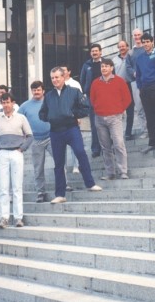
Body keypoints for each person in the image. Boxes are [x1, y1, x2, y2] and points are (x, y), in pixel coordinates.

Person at [39, 67, 102, 204]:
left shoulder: (74, 92)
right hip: (56, 132)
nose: (55, 80)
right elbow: (42, 113)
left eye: (57, 77)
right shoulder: (49, 96)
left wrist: (74, 114)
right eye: (52, 78)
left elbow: (85, 107)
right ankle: (60, 194)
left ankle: (90, 183)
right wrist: (51, 118)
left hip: (71, 128)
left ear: (63, 77)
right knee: (59, 163)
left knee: (80, 152)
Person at [0, 92, 33, 228]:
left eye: (8, 102)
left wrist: (22, 148)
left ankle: (18, 218)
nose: (6, 105)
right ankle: (4, 218)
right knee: (3, 188)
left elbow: (30, 135)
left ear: (13, 103)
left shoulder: (21, 118)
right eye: (3, 102)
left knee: (17, 187)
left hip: (16, 153)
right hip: (2, 153)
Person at [90, 58, 131, 180]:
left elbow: (127, 98)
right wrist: (98, 109)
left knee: (118, 143)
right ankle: (110, 173)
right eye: (102, 66)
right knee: (105, 147)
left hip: (115, 117)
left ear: (112, 68)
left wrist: (119, 109)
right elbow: (92, 99)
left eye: (106, 66)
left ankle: (123, 171)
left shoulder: (120, 81)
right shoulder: (95, 83)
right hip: (100, 118)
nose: (104, 68)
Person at [18, 81, 53, 203]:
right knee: (38, 168)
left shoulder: (50, 101)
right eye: (34, 90)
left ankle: (63, 185)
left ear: (43, 91)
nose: (36, 92)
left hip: (51, 137)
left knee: (59, 163)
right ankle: (40, 192)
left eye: (38, 90)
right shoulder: (24, 106)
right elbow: (18, 121)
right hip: (35, 140)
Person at [80, 43, 103, 158]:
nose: (94, 53)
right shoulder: (87, 65)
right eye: (92, 51)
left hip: (105, 97)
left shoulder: (105, 63)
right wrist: (86, 91)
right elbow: (82, 80)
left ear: (100, 52)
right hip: (92, 98)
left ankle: (107, 147)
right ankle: (95, 149)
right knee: (94, 124)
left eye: (96, 51)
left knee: (106, 123)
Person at [126, 28, 147, 138]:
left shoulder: (147, 48)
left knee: (150, 106)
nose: (137, 37)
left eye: (139, 34)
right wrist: (134, 73)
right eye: (135, 35)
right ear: (133, 36)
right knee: (139, 107)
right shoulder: (130, 52)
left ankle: (153, 128)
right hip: (135, 82)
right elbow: (128, 67)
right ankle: (145, 130)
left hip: (148, 81)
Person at [112, 40, 135, 141]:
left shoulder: (131, 57)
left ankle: (128, 133)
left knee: (130, 110)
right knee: (118, 112)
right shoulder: (114, 60)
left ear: (127, 47)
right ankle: (117, 134)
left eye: (123, 46)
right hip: (118, 87)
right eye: (120, 47)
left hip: (130, 85)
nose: (122, 48)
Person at [60, 63, 80, 173]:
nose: (62, 72)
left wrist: (77, 116)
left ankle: (76, 166)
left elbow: (79, 101)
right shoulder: (58, 83)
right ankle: (63, 168)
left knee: (74, 143)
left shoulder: (75, 84)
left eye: (64, 70)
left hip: (72, 117)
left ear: (69, 72)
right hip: (60, 119)